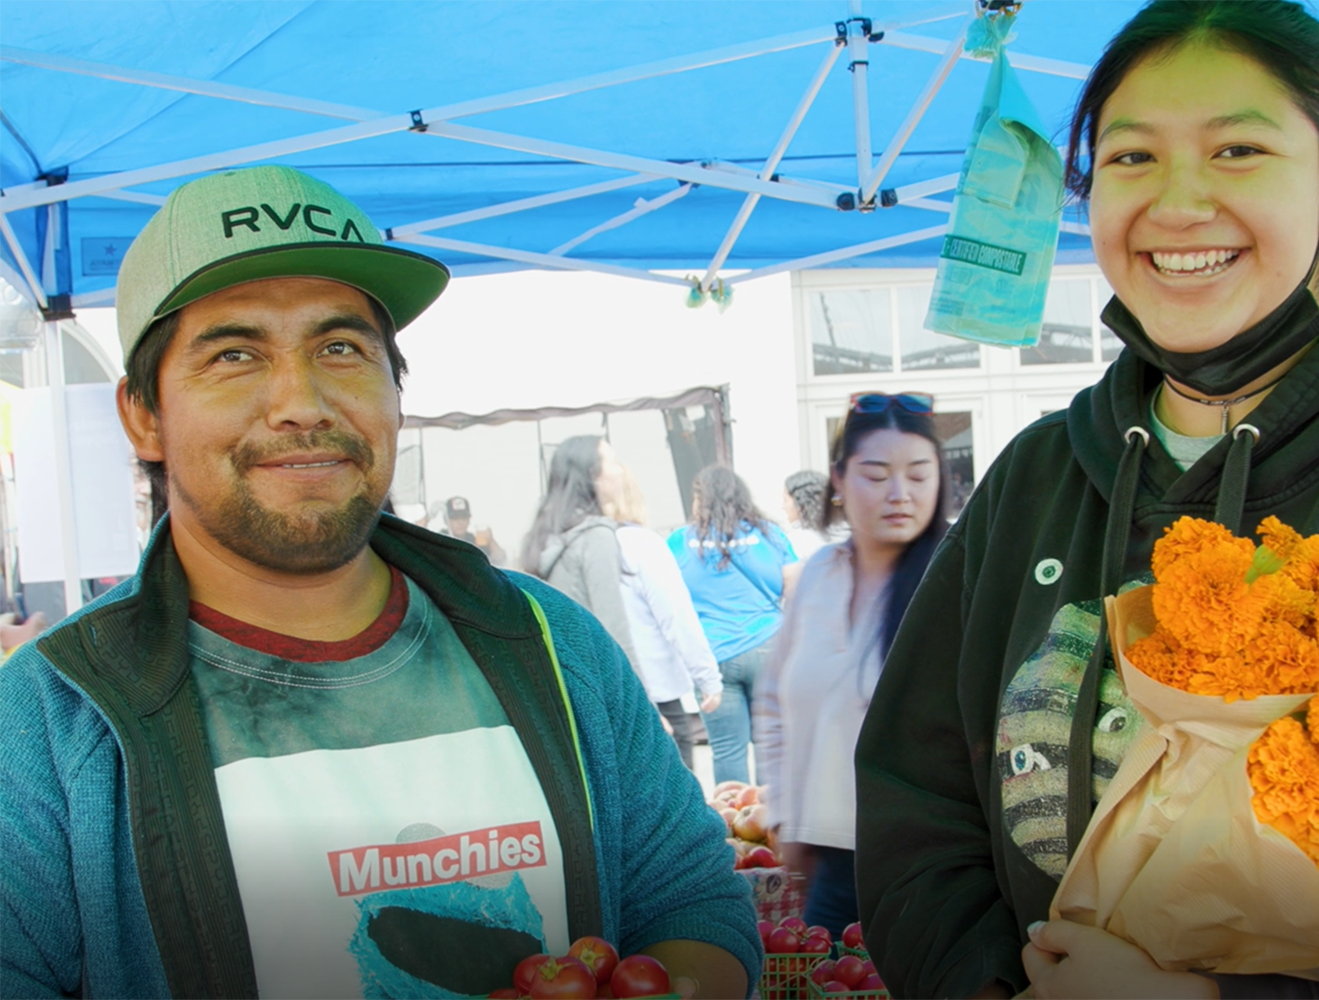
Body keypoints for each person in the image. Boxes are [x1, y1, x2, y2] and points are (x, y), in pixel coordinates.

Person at [855, 2, 1319, 998]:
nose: (1179, 202)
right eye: (1131, 158)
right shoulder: (1034, 476)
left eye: (1237, 149)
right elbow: (918, 796)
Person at [0, 165, 757, 1000]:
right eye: (234, 353)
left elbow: (692, 903)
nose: (303, 401)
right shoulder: (48, 722)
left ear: (395, 394)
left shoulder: (547, 640)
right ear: (144, 416)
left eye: (340, 348)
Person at [757, 392, 948, 931]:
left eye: (918, 474)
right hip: (830, 862)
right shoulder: (818, 574)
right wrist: (786, 815)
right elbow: (774, 702)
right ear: (838, 480)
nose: (899, 494)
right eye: (876, 474)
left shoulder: (956, 585)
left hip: (928, 871)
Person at [669, 466, 797, 786]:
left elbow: (668, 599)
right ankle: (772, 826)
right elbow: (794, 587)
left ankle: (735, 828)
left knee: (727, 750)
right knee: (770, 745)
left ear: (701, 499)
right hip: (770, 648)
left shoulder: (679, 542)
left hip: (714, 656)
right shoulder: (770, 534)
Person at [600, 463, 723, 768]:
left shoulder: (584, 547)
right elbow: (677, 618)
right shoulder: (642, 543)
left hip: (606, 691)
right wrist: (708, 677)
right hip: (656, 691)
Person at [521, 436, 639, 669]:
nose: (619, 472)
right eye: (612, 463)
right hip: (598, 676)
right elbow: (613, 630)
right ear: (593, 475)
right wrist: (640, 697)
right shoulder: (596, 537)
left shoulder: (549, 535)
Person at [780, 470, 834, 561]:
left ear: (800, 503)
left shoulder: (797, 540)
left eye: (786, 500)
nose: (783, 507)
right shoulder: (840, 532)